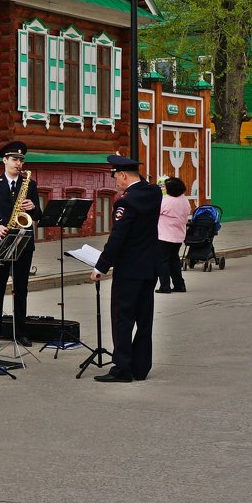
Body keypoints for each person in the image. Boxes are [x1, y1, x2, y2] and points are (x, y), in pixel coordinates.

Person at [89, 155, 162, 382]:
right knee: (144, 319)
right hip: (149, 267)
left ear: (122, 175)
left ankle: (122, 368)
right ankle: (140, 367)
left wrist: (101, 266)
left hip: (128, 269)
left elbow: (118, 237)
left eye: (115, 178)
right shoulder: (153, 193)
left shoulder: (125, 202)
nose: (116, 184)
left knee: (123, 319)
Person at [0, 140, 42, 348]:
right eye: (14, 159)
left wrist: (33, 206)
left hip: (24, 242)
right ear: (5, 160)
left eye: (21, 160)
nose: (18, 163)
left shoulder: (29, 184)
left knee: (21, 289)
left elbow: (38, 215)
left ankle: (21, 332)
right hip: (1, 241)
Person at [156, 177, 190, 294]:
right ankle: (179, 285)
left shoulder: (166, 201)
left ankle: (165, 286)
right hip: (178, 236)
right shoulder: (184, 200)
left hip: (164, 236)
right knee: (174, 260)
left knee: (163, 261)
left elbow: (154, 213)